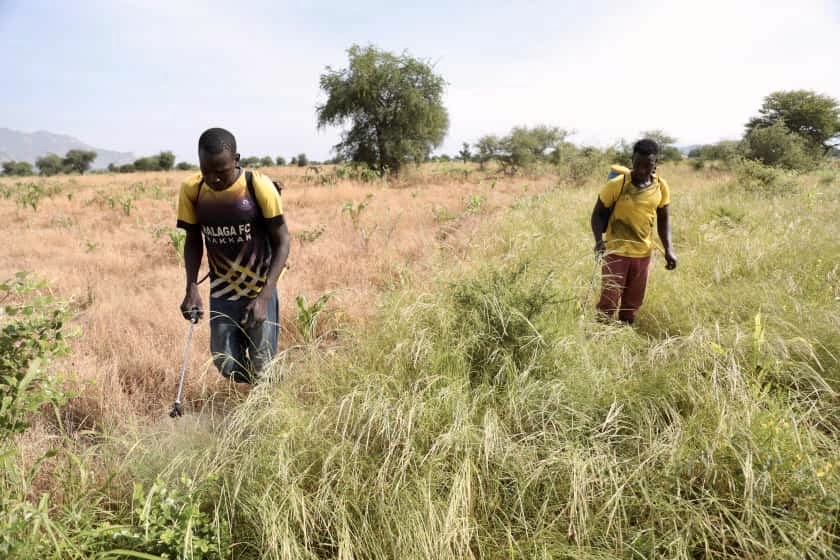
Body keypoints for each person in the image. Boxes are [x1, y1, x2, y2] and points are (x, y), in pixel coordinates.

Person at [176, 127, 290, 383]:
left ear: (236, 160)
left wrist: (265, 295)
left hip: (259, 289)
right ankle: (263, 386)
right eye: (207, 171)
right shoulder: (192, 190)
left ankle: (267, 401)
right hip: (222, 290)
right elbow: (193, 239)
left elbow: (283, 239)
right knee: (226, 361)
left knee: (263, 362)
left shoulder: (257, 185)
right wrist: (191, 287)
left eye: (222, 171)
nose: (214, 179)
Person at [590, 139, 676, 325]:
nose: (642, 170)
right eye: (638, 164)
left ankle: (624, 333)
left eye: (648, 165)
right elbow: (597, 215)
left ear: (655, 164)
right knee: (609, 300)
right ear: (632, 160)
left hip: (643, 254)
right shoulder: (617, 185)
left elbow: (663, 219)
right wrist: (598, 241)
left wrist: (669, 249)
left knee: (633, 302)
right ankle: (600, 334)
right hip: (616, 252)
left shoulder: (661, 187)